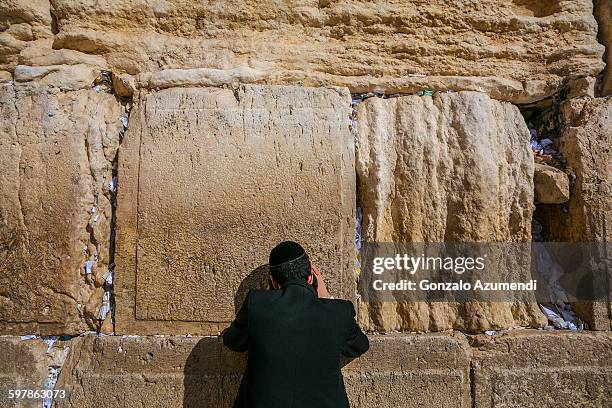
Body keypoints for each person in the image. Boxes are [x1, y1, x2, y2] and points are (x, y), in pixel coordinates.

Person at [223, 241, 369, 408]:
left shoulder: (256, 303)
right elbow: (359, 346)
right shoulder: (339, 312)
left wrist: (264, 302)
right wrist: (328, 297)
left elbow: (233, 341)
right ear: (310, 277)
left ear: (273, 281)